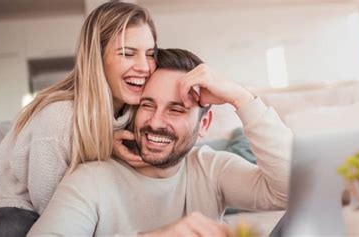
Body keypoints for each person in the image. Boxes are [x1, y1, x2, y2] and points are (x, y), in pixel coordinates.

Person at [28, 48, 292, 237]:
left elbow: (289, 190)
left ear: (204, 125)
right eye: (147, 105)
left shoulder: (211, 169)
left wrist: (240, 97)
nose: (155, 122)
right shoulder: (91, 180)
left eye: (176, 110)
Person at [0, 2, 157, 236]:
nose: (145, 67)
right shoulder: (60, 116)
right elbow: (54, 214)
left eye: (151, 54)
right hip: (6, 210)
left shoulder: (134, 115)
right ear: (97, 57)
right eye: (127, 53)